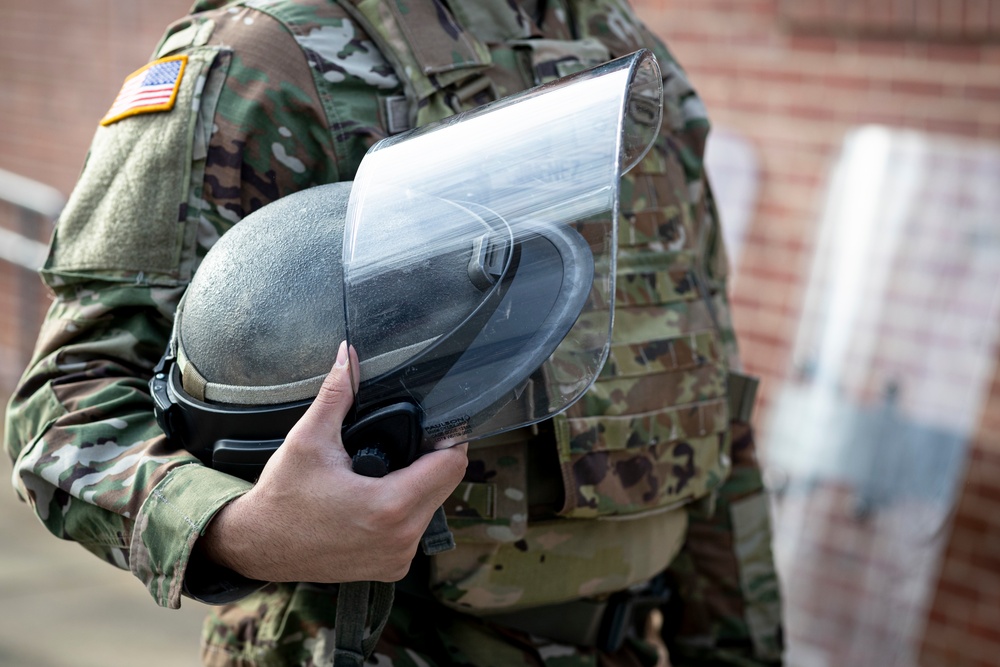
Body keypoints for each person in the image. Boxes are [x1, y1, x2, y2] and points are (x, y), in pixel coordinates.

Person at [4, 1, 783, 665]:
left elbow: (706, 391)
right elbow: (69, 403)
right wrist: (241, 531)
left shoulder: (628, 55)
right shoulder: (268, 58)